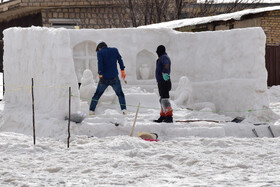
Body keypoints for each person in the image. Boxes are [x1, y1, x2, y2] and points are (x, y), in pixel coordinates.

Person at [89, 42, 127, 115]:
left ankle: (91, 110)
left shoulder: (100, 53)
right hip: (114, 78)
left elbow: (100, 63)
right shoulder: (114, 50)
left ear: (99, 48)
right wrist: (122, 70)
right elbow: (120, 60)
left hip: (104, 79)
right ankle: (124, 110)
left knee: (97, 94)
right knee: (120, 94)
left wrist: (100, 75)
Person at [153, 45, 173, 123]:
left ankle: (169, 116)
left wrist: (165, 72)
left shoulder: (164, 57)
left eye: (158, 51)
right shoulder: (161, 58)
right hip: (161, 81)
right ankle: (163, 115)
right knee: (162, 99)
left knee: (165, 99)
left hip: (164, 81)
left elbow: (166, 65)